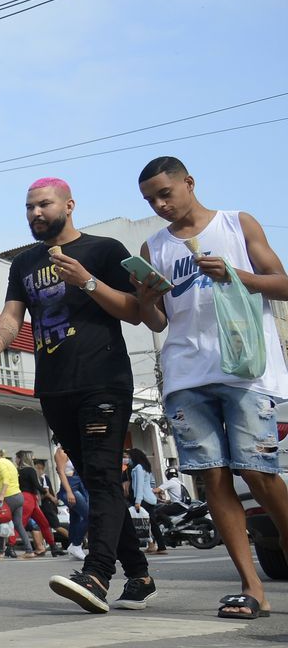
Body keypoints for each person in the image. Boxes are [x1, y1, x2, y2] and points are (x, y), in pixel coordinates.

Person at [0, 176, 152, 614]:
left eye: (44, 205)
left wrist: (89, 282)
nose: (36, 213)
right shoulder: (23, 264)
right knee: (100, 480)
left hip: (103, 380)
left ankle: (96, 574)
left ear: (69, 205)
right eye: (29, 207)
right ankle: (141, 575)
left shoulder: (105, 250)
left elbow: (137, 313)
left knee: (100, 476)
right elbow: (11, 315)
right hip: (54, 387)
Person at [134, 157, 288, 619]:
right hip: (185, 374)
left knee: (260, 474)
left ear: (189, 183)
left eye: (166, 194)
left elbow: (282, 284)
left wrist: (236, 275)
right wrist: (144, 299)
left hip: (245, 370)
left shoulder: (236, 224)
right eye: (150, 200)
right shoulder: (152, 246)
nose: (160, 205)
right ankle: (251, 587)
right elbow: (158, 320)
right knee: (214, 477)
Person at [0, 447, 28, 557]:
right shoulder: (9, 462)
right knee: (18, 524)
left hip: (9, 496)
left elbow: (6, 479)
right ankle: (29, 550)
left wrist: (1, 495)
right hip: (18, 495)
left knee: (1, 521)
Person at [15, 449, 58, 557]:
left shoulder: (18, 471)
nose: (16, 460)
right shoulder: (30, 470)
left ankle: (53, 547)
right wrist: (44, 491)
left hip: (25, 497)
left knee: (28, 523)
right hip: (30, 498)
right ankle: (53, 547)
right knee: (40, 523)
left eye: (17, 458)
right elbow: (36, 485)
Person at [55, 444, 89, 560]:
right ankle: (76, 544)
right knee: (89, 515)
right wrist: (69, 491)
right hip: (70, 486)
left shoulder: (71, 450)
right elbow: (60, 472)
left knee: (76, 517)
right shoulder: (61, 452)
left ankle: (73, 545)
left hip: (79, 485)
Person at [124, 448, 160, 553]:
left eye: (129, 457)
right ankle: (158, 545)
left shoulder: (138, 468)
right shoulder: (145, 467)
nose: (128, 459)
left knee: (149, 523)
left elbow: (139, 486)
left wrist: (137, 501)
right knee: (152, 523)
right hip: (148, 498)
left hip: (144, 498)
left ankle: (156, 545)